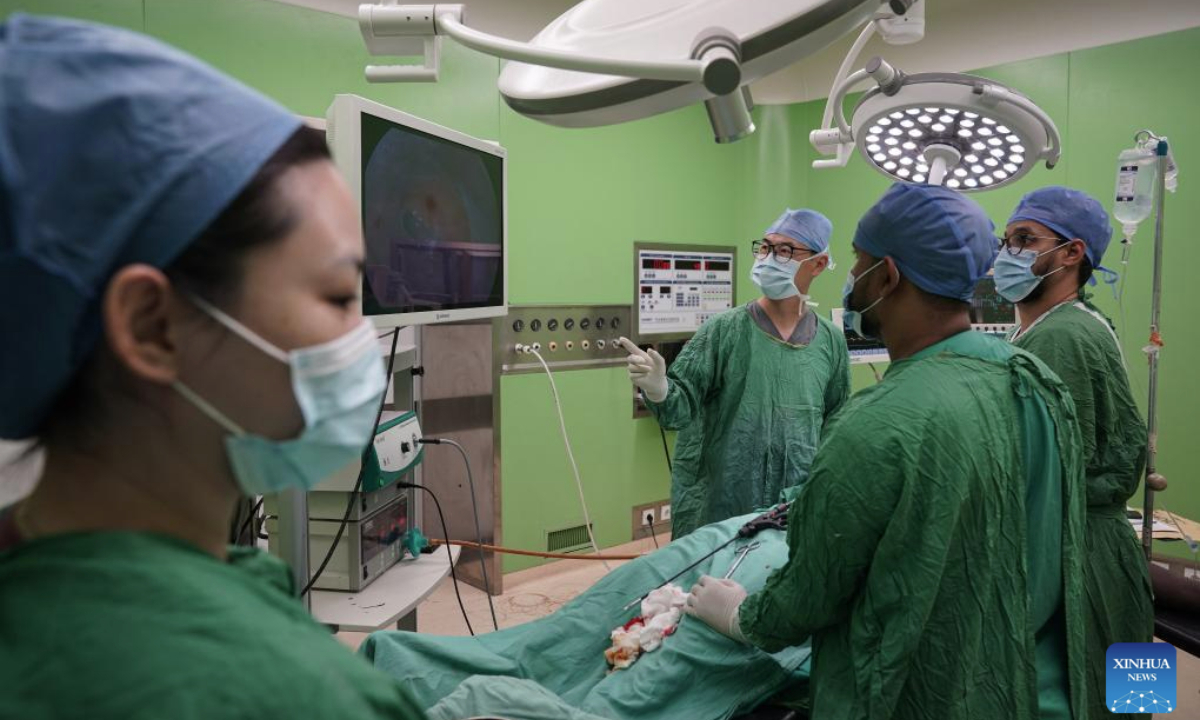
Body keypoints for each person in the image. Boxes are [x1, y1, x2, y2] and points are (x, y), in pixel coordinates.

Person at [0, 15, 425, 719]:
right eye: (340, 295)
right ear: (152, 327)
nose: (362, 339)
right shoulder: (295, 698)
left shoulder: (37, 561)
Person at [684, 183, 1089, 720]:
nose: (853, 278)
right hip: (1024, 679)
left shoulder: (877, 423)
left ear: (888, 276)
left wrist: (742, 616)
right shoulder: (1031, 378)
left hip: (913, 690)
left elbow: (809, 594)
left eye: (858, 261)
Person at [998, 186, 1154, 719]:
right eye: (1005, 240)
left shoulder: (1059, 339)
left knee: (1082, 699)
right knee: (1133, 701)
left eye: (1024, 239)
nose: (1006, 253)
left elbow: (1040, 474)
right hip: (1108, 555)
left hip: (1077, 556)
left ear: (1072, 253)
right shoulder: (1081, 324)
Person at [619, 208, 850, 537]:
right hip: (721, 506)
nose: (769, 258)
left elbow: (836, 424)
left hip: (793, 507)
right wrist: (659, 389)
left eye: (785, 250)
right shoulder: (723, 331)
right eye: (766, 247)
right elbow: (680, 408)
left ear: (818, 264)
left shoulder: (830, 342)